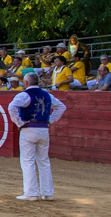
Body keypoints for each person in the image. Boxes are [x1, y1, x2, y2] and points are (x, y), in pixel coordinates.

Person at [8, 71, 67, 201]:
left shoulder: (24, 95)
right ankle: (48, 193)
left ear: (26, 83)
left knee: (28, 161)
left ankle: (31, 193)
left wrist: (19, 122)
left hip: (29, 130)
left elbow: (11, 107)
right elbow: (62, 107)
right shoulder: (47, 95)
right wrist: (50, 120)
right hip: (43, 130)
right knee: (44, 161)